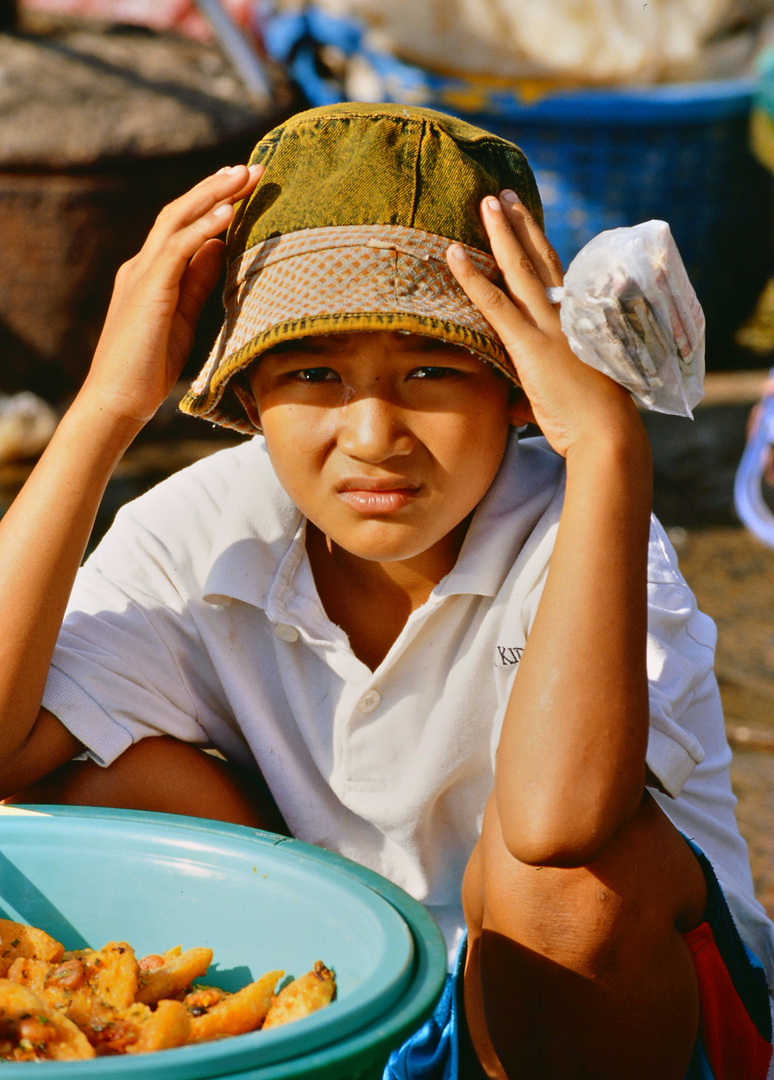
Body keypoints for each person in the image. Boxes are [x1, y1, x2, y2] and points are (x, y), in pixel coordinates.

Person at [0, 102, 772, 1079]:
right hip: (357, 1001)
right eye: (314, 371)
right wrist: (106, 407)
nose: (373, 437)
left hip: (595, 1019)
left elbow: (557, 825)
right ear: (245, 395)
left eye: (432, 369)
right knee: (101, 785)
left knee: (568, 883)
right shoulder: (200, 528)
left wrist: (612, 450)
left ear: (522, 390)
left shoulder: (589, 528)